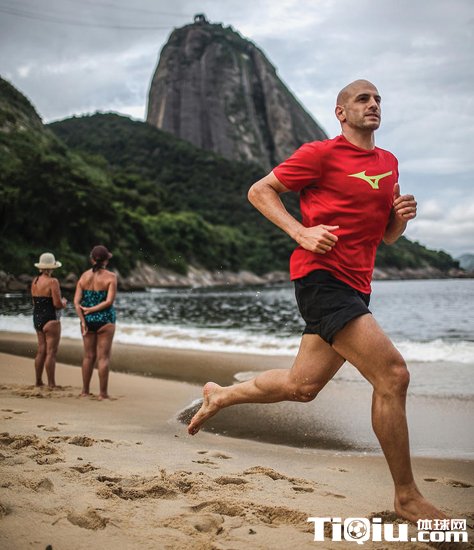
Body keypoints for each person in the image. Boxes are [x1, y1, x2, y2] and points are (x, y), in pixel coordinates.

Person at [188, 80, 446, 523]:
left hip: (357, 284)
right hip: (321, 280)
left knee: (301, 387)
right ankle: (407, 496)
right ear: (341, 112)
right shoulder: (320, 154)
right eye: (363, 99)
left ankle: (220, 396)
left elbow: (385, 236)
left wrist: (400, 220)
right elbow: (259, 190)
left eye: (378, 99)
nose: (373, 104)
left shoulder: (388, 163)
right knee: (393, 375)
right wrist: (300, 231)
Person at [74, 245, 117, 400]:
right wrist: (92, 310)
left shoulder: (84, 276)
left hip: (87, 321)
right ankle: (103, 394)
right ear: (106, 260)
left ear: (92, 259)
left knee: (88, 357)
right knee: (103, 358)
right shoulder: (111, 277)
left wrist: (83, 320)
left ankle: (85, 391)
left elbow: (76, 302)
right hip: (106, 320)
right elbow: (109, 301)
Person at [31, 252, 67, 388]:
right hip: (51, 319)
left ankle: (38, 381)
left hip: (37, 318)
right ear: (52, 267)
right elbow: (57, 304)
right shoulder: (53, 282)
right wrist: (64, 303)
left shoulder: (35, 281)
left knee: (41, 350)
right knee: (51, 352)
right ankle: (52, 383)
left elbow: (34, 302)